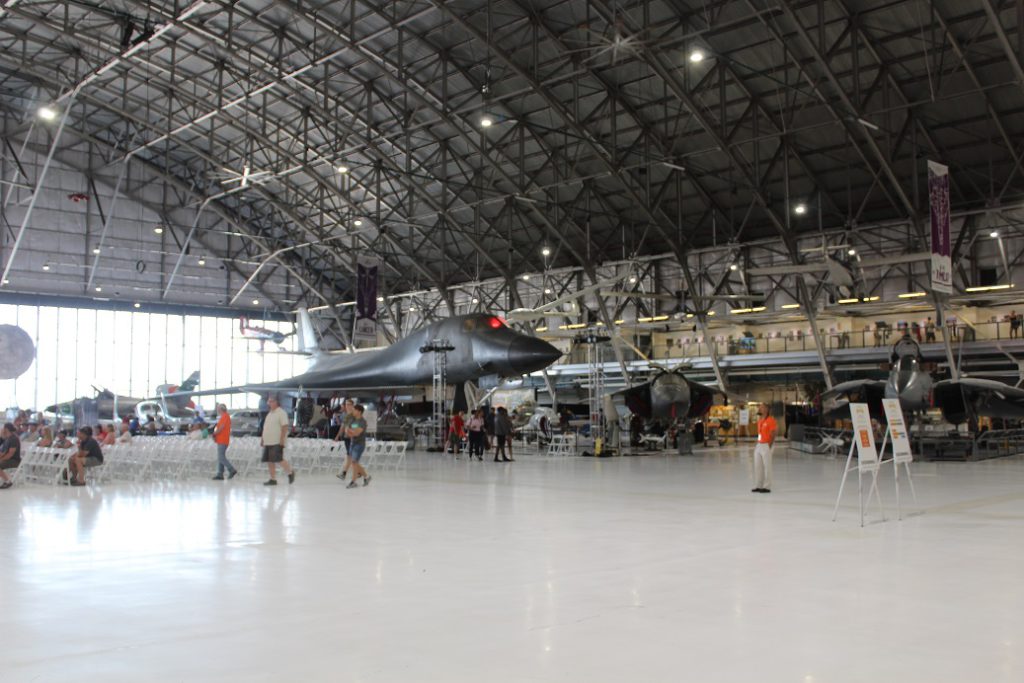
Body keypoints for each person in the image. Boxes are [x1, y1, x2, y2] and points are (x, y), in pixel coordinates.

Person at [261, 396, 294, 486]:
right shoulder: (270, 414)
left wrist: (282, 439)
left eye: (271, 401)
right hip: (268, 441)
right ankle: (273, 479)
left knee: (278, 459)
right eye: (269, 402)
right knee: (269, 460)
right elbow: (265, 428)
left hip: (276, 441)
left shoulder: (281, 413)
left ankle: (290, 472)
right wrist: (262, 439)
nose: (269, 403)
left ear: (276, 402)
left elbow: (284, 427)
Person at [343, 404, 372, 488]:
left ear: (359, 412)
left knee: (354, 462)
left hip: (359, 445)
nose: (353, 411)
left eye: (354, 410)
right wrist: (350, 431)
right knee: (354, 462)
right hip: (352, 443)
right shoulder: (353, 420)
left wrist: (350, 431)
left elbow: (356, 433)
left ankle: (353, 481)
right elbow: (347, 432)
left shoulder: (362, 422)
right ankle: (367, 477)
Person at [752, 404, 777, 494]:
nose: (759, 409)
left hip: (767, 445)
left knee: (767, 466)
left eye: (761, 407)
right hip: (759, 444)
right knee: (758, 466)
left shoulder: (771, 420)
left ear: (766, 409)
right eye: (759, 407)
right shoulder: (760, 420)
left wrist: (769, 446)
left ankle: (767, 486)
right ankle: (759, 485)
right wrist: (758, 443)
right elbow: (760, 433)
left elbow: (773, 434)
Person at [211, 403, 238, 480]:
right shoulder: (223, 417)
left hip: (223, 439)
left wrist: (214, 433)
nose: (217, 410)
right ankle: (220, 474)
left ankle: (231, 469)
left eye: (218, 408)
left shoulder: (225, 416)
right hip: (220, 439)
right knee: (220, 457)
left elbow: (221, 427)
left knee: (221, 457)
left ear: (220, 409)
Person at [334, 399, 355, 481]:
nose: (347, 406)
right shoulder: (345, 415)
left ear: (352, 405)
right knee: (350, 456)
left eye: (349, 404)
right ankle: (359, 472)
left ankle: (344, 473)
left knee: (349, 456)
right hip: (346, 438)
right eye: (346, 404)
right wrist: (337, 436)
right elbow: (342, 426)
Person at [0, 422, 22, 489]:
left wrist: (1, 459)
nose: (2, 429)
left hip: (14, 460)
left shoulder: (13, 439)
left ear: (6, 429)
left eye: (3, 428)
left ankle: (8, 481)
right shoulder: (8, 438)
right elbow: (3, 452)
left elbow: (10, 454)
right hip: (8, 459)